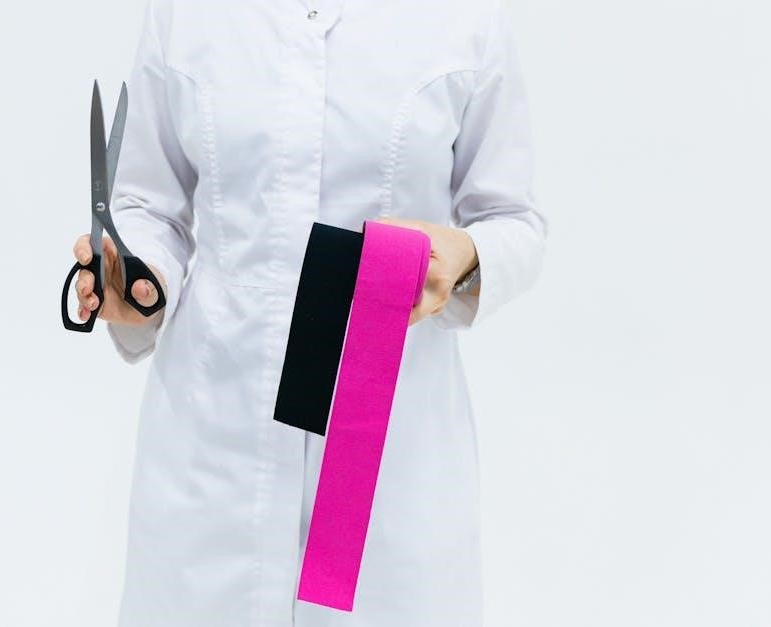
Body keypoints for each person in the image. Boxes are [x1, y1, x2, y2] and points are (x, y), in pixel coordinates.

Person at [70, 0, 545, 625]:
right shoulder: (185, 14)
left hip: (390, 461)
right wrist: (138, 274)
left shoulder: (465, 19)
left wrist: (465, 257)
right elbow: (147, 204)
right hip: (210, 457)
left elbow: (514, 220)